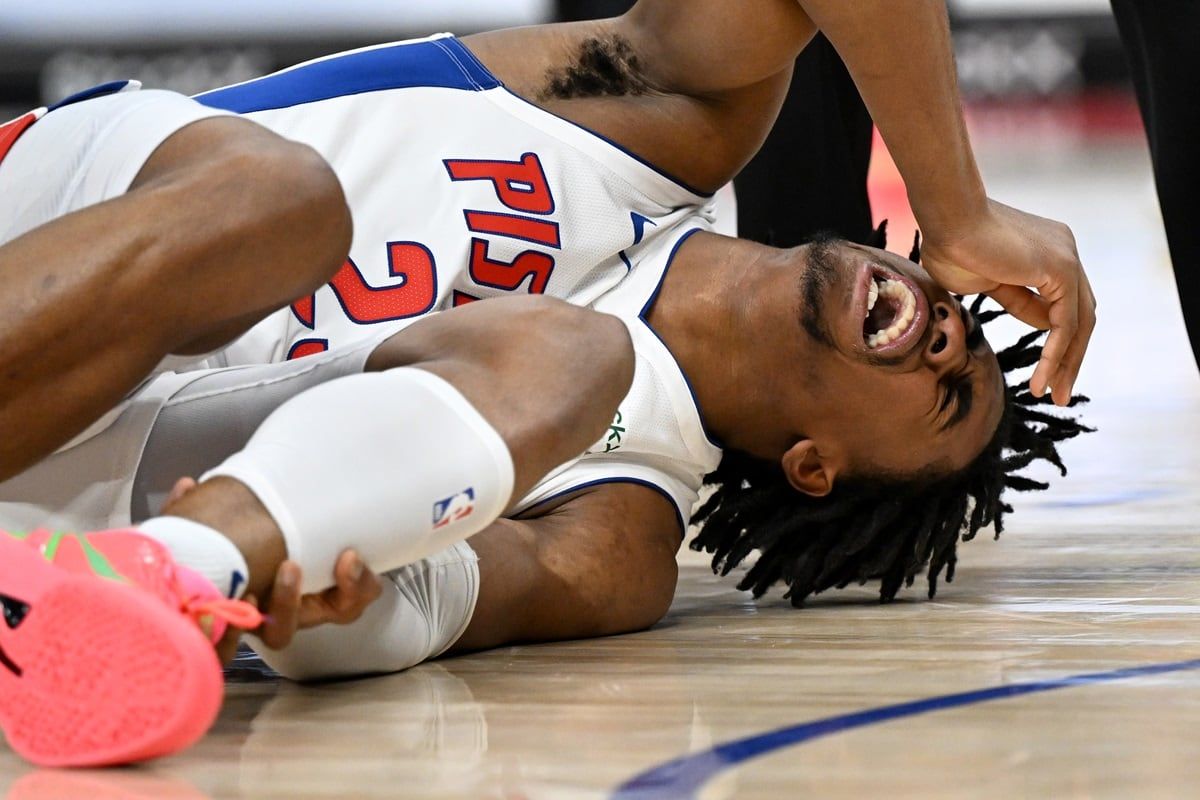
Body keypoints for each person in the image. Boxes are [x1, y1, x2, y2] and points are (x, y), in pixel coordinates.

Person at [0, 0, 1093, 768]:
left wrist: (337, 603)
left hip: (84, 487)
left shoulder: (623, 525)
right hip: (48, 226)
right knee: (280, 204)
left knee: (572, 354)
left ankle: (158, 577)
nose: (951, 336)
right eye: (969, 327)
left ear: (816, 467)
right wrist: (957, 206)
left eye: (952, 392)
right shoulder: (663, 117)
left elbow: (416, 605)